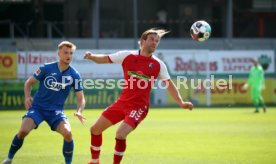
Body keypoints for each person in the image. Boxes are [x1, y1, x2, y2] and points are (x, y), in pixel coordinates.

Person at [84, 28, 193, 164]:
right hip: (122, 103)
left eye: (157, 41)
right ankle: (94, 162)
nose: (155, 43)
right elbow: (105, 59)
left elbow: (169, 84)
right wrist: (92, 56)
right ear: (143, 41)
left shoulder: (159, 65)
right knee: (95, 129)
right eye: (152, 39)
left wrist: (181, 102)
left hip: (139, 107)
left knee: (120, 134)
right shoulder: (127, 56)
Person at [2, 41, 86, 164]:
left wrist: (79, 111)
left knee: (68, 134)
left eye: (71, 53)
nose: (69, 55)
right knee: (23, 131)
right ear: (59, 53)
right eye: (66, 52)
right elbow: (28, 82)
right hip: (38, 108)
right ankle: (9, 159)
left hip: (56, 111)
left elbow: (81, 98)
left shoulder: (75, 75)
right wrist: (27, 97)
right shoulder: (46, 68)